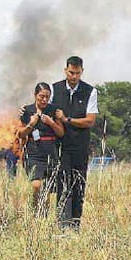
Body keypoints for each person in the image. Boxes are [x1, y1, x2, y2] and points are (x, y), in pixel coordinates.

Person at [51, 56, 99, 230]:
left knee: (78, 184)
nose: (74, 77)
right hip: (61, 146)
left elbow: (90, 121)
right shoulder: (54, 89)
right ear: (65, 70)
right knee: (62, 183)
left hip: (80, 146)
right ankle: (62, 225)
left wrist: (67, 119)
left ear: (82, 72)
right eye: (71, 72)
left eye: (77, 73)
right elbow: (44, 110)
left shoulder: (90, 91)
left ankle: (75, 225)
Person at [18, 83, 65, 212]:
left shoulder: (54, 110)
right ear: (35, 96)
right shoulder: (27, 111)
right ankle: (34, 209)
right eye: (41, 96)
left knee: (47, 188)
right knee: (36, 185)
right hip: (34, 152)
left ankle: (42, 216)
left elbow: (61, 132)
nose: (44, 100)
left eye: (47, 97)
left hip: (50, 152)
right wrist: (31, 124)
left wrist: (51, 122)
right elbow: (20, 134)